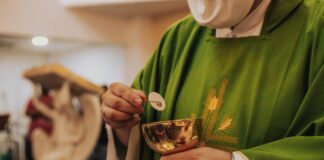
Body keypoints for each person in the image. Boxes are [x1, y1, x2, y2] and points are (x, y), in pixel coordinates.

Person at [101, 0, 324, 159]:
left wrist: (236, 159)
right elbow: (139, 138)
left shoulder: (316, 26)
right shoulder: (178, 37)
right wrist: (122, 121)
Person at [25, 87, 53, 160]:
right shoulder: (34, 100)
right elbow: (27, 112)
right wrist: (40, 111)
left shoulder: (54, 99)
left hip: (50, 135)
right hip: (33, 134)